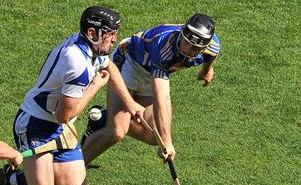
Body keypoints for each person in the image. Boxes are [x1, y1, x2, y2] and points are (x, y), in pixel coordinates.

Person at [0, 6, 146, 185]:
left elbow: (108, 66)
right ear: (92, 32)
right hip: (36, 126)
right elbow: (64, 115)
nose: (114, 39)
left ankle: (17, 179)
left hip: (59, 127)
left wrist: (130, 104)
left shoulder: (92, 49)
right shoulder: (76, 62)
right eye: (110, 34)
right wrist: (95, 87)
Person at [82, 13, 221, 164]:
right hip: (128, 62)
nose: (187, 50)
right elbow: (162, 97)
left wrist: (207, 70)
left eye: (195, 48)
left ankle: (102, 119)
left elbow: (211, 56)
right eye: (186, 43)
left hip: (150, 73)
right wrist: (168, 142)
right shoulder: (163, 47)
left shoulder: (212, 46)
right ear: (181, 34)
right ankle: (74, 167)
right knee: (117, 132)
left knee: (155, 136)